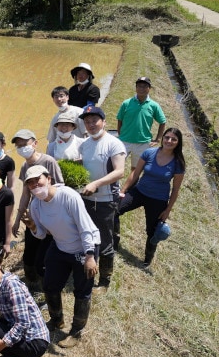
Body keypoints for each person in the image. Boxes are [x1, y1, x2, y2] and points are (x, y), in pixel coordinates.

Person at [24, 165, 100, 348]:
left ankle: (76, 331)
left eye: (38, 180)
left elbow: (85, 227)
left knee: (82, 291)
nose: (35, 185)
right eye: (30, 183)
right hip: (60, 246)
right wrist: (33, 227)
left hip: (84, 246)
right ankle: (56, 320)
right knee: (50, 285)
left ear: (48, 178)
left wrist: (90, 255)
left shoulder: (68, 196)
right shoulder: (36, 204)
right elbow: (42, 234)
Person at [119, 128, 185, 267]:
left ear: (178, 142)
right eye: (167, 137)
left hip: (158, 199)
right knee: (115, 210)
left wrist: (167, 210)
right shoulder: (149, 152)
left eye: (174, 139)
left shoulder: (178, 163)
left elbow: (176, 189)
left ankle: (147, 259)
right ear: (162, 138)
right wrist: (123, 190)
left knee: (152, 231)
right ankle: (113, 241)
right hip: (139, 192)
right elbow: (135, 174)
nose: (169, 141)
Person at [79, 105, 126, 291]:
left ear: (104, 122)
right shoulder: (85, 144)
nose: (91, 124)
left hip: (106, 200)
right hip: (87, 199)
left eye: (94, 120)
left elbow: (120, 171)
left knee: (105, 239)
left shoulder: (114, 144)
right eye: (87, 121)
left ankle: (105, 279)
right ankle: (88, 267)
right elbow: (86, 165)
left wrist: (96, 184)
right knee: (87, 235)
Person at [11, 129, 63, 293]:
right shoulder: (25, 166)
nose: (22, 148)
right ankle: (31, 283)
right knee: (29, 254)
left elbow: (60, 187)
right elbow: (25, 194)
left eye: (24, 144)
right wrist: (18, 218)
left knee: (44, 255)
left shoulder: (48, 161)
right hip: (34, 215)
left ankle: (46, 287)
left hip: (49, 215)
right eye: (18, 145)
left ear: (34, 143)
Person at [116, 77, 167, 170]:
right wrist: (120, 134)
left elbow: (162, 121)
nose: (141, 89)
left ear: (149, 89)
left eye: (144, 87)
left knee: (136, 169)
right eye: (139, 86)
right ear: (136, 88)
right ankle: (115, 184)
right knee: (116, 165)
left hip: (143, 143)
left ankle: (132, 184)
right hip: (124, 141)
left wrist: (158, 139)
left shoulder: (154, 105)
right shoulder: (126, 103)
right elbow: (120, 119)